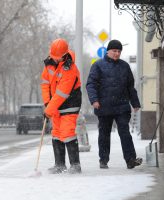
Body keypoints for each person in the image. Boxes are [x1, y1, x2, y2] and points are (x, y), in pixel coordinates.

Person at [86, 39, 142, 169]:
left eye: (119, 51)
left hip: (122, 106)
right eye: (114, 51)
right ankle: (103, 160)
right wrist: (94, 100)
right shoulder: (98, 65)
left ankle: (130, 160)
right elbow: (91, 84)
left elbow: (130, 87)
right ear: (108, 51)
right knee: (104, 134)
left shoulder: (125, 66)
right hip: (104, 106)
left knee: (125, 133)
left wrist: (135, 103)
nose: (117, 53)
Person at [41, 38, 82, 174]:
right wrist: (47, 103)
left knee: (67, 132)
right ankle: (59, 165)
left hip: (70, 103)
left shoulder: (70, 69)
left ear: (64, 55)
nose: (55, 59)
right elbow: (45, 84)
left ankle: (75, 165)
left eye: (58, 57)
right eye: (54, 57)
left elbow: (62, 93)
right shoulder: (49, 64)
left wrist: (49, 109)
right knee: (56, 132)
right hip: (55, 105)